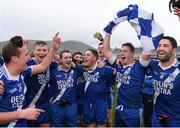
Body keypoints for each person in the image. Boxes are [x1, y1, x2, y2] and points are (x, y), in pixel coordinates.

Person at [0, 33, 61, 127]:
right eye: (26, 55)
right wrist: (22, 114)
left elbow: (42, 66)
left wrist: (53, 49)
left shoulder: (23, 72)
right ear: (15, 59)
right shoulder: (2, 81)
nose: (29, 57)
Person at [102, 33, 151, 127]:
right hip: (119, 108)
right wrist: (108, 33)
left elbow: (147, 50)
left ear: (132, 53)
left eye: (125, 51)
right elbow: (106, 51)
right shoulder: (118, 64)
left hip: (134, 111)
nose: (121, 53)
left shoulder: (139, 66)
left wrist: (141, 31)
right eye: (121, 51)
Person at [75, 49, 115, 127]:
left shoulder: (104, 69)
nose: (85, 57)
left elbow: (117, 70)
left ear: (94, 58)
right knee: (89, 125)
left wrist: (112, 69)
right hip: (87, 104)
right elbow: (71, 64)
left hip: (101, 104)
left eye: (88, 55)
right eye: (84, 55)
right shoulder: (82, 69)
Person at [148, 36, 180, 127]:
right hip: (157, 118)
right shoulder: (152, 65)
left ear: (173, 50)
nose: (160, 48)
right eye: (159, 45)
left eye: (165, 46)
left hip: (176, 121)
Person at [24, 41, 57, 127]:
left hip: (45, 104)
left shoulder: (52, 65)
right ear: (34, 51)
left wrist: (54, 51)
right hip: (29, 104)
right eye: (39, 50)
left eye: (44, 50)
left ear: (48, 52)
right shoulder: (27, 64)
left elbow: (64, 64)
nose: (41, 52)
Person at [49, 50, 80, 127]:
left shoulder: (76, 72)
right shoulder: (53, 72)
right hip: (57, 105)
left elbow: (87, 68)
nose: (69, 59)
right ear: (61, 60)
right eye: (66, 58)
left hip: (71, 105)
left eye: (70, 57)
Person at [98, 42, 115, 127]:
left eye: (102, 48)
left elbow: (116, 70)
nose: (101, 49)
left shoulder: (110, 62)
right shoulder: (95, 61)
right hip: (97, 92)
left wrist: (105, 67)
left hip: (108, 90)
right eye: (99, 48)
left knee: (109, 118)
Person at [72, 52, 85, 126]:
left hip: (83, 97)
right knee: (74, 119)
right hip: (73, 97)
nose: (79, 59)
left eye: (80, 57)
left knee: (83, 118)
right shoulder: (69, 70)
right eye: (76, 57)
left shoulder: (84, 68)